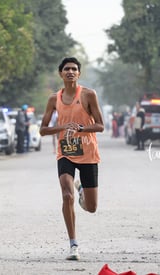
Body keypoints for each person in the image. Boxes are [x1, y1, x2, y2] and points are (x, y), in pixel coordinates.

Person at [40, 57, 104, 260]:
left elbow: (100, 125)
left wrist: (82, 128)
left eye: (74, 69)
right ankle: (73, 244)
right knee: (66, 196)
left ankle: (82, 189)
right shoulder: (54, 99)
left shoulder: (88, 95)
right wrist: (62, 127)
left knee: (91, 208)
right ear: (61, 73)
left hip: (88, 152)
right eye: (66, 68)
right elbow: (43, 130)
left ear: (79, 74)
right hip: (66, 152)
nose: (70, 71)